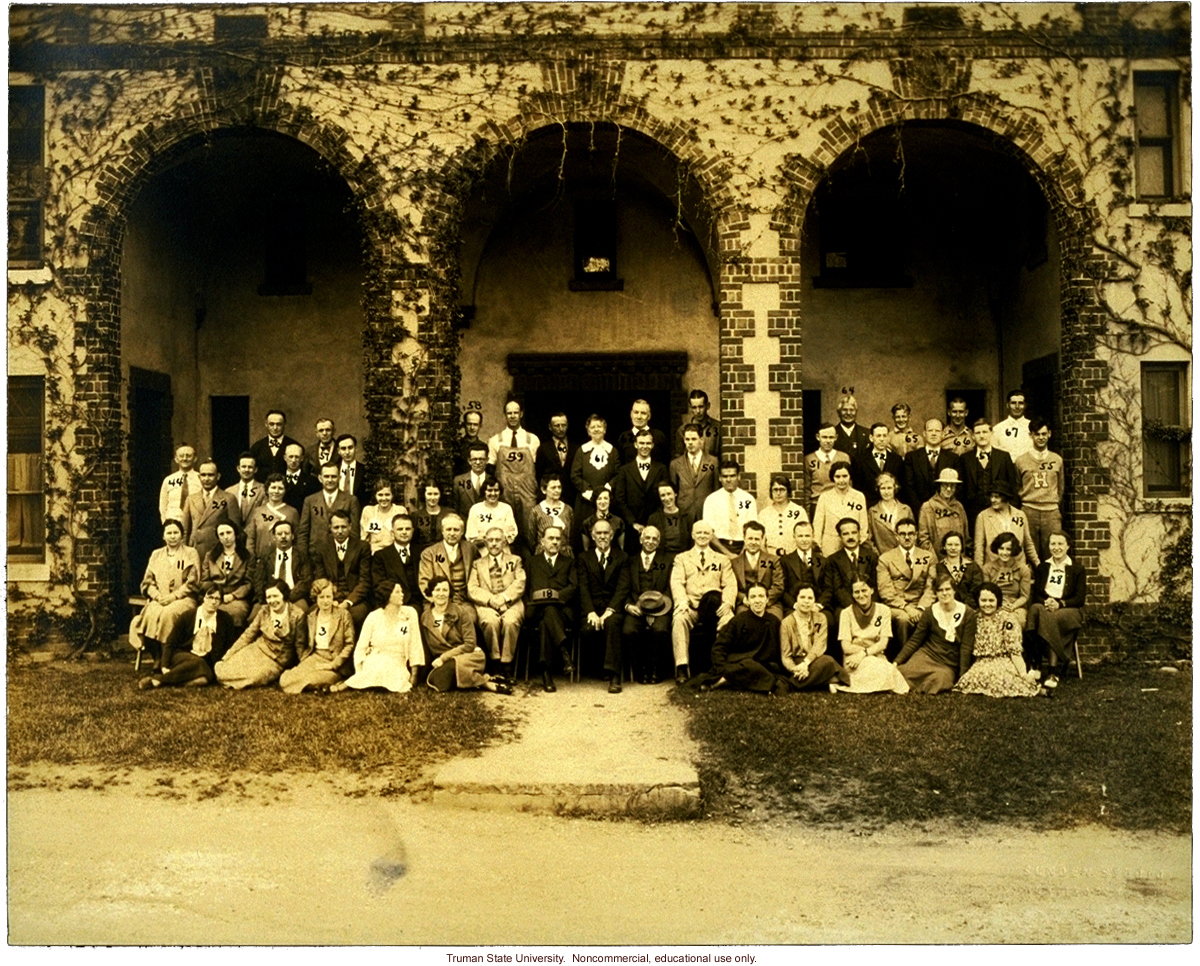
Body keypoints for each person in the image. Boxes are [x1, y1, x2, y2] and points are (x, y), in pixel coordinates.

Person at [692, 584, 796, 695]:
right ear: (747, 600)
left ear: (767, 600)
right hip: (739, 663)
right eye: (753, 597)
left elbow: (781, 649)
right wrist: (722, 667)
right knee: (748, 665)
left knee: (770, 672)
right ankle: (762, 683)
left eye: (761, 596)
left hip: (763, 665)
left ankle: (725, 680)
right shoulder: (738, 621)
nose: (757, 601)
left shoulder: (774, 622)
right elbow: (719, 646)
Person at [669, 520, 736, 683]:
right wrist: (682, 602)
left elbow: (730, 583)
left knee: (729, 620)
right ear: (693, 535)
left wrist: (727, 603)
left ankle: (722, 667)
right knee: (679, 620)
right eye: (699, 533)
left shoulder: (722, 560)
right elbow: (676, 582)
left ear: (711, 536)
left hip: (715, 606)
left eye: (706, 533)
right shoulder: (682, 558)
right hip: (691, 606)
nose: (702, 536)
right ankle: (682, 667)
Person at [423, 576, 512, 694]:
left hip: (468, 655)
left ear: (450, 593)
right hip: (442, 660)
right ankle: (485, 681)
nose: (441, 594)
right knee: (437, 680)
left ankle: (480, 682)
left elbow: (470, 644)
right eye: (437, 590)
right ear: (431, 593)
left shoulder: (461, 612)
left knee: (444, 676)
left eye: (445, 590)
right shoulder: (425, 617)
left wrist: (444, 658)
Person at [129, 520, 201, 664]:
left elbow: (193, 581)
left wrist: (173, 597)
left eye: (176, 533)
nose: (172, 536)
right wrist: (157, 596)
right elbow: (147, 582)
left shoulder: (190, 553)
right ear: (163, 536)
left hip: (183, 599)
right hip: (160, 598)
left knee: (168, 614)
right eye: (169, 533)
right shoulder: (156, 554)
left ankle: (166, 657)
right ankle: (156, 657)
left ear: (181, 535)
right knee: (150, 613)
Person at [953, 583, 1043, 698]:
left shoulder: (1007, 619)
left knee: (1004, 678)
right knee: (976, 677)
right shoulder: (974, 619)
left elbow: (1014, 651)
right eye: (983, 600)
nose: (987, 604)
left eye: (991, 600)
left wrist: (1023, 674)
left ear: (998, 601)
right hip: (982, 662)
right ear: (978, 601)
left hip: (1003, 660)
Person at [332, 582, 424, 693]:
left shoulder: (410, 613)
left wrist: (414, 674)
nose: (402, 595)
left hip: (397, 660)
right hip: (375, 657)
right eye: (397, 592)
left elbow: (415, 644)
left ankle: (350, 684)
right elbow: (361, 646)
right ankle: (348, 684)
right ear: (387, 595)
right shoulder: (374, 616)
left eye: (401, 591)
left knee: (392, 673)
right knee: (377, 667)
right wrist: (359, 670)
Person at [136, 584, 234, 689]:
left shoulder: (225, 619)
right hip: (183, 654)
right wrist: (164, 666)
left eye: (217, 599)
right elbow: (170, 642)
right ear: (203, 598)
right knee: (199, 664)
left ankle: (164, 681)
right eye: (210, 597)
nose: (213, 602)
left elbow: (229, 644)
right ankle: (159, 680)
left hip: (207, 660)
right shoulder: (188, 616)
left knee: (203, 680)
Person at [214, 578, 305, 689]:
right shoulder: (264, 611)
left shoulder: (297, 615)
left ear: (284, 595)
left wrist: (302, 668)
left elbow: (300, 645)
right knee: (223, 670)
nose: (272, 601)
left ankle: (234, 681)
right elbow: (248, 635)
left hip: (276, 660)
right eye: (269, 597)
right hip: (258, 649)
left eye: (275, 596)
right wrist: (228, 655)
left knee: (252, 676)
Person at [895, 573, 976, 694]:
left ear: (954, 591)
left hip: (949, 661)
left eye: (948, 589)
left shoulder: (968, 613)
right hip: (928, 654)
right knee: (904, 673)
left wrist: (962, 676)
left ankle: (922, 685)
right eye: (940, 590)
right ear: (936, 593)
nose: (944, 593)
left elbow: (966, 647)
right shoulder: (930, 612)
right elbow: (915, 640)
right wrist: (897, 662)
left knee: (941, 679)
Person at [1026, 532, 1087, 687]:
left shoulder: (1077, 569)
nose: (1056, 548)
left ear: (1068, 546)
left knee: (1048, 617)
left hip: (1070, 610)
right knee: (1034, 610)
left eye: (1060, 544)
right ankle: (1037, 664)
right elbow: (1037, 595)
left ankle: (1053, 671)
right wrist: (1047, 602)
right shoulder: (1043, 567)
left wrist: (1060, 604)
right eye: (1053, 544)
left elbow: (1079, 599)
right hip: (1046, 606)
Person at [577, 518, 630, 693]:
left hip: (612, 609)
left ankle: (614, 676)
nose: (602, 536)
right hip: (591, 609)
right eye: (598, 533)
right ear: (592, 536)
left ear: (612, 535)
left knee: (612, 624)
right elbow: (583, 588)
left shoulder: (622, 557)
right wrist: (590, 612)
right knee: (587, 630)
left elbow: (623, 587)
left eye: (606, 533)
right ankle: (598, 668)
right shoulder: (584, 558)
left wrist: (610, 610)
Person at [278, 578, 356, 694]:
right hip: (316, 657)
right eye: (321, 597)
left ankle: (325, 682)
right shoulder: (311, 617)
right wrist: (305, 659)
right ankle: (316, 686)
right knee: (285, 679)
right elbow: (301, 642)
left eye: (328, 597)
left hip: (335, 661)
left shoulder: (343, 615)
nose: (325, 601)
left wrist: (333, 664)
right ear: (316, 598)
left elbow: (349, 644)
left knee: (313, 678)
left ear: (333, 597)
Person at [467, 527, 526, 677]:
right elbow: (472, 588)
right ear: (485, 542)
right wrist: (491, 600)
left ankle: (507, 664)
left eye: (498, 540)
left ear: (504, 542)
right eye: (491, 540)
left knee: (510, 622)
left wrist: (504, 598)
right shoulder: (477, 564)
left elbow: (520, 582)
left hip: (511, 602)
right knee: (490, 622)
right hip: (487, 603)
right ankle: (495, 661)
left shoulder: (515, 560)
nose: (494, 544)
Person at [832, 579, 908, 694]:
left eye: (864, 590)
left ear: (871, 590)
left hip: (875, 655)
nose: (861, 595)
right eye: (856, 592)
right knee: (882, 671)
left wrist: (864, 653)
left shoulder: (884, 610)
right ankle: (846, 684)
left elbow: (883, 643)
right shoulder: (846, 613)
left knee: (889, 670)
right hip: (853, 658)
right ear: (852, 594)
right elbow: (846, 646)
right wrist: (863, 654)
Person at [525, 525, 577, 693]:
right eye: (551, 538)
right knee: (546, 612)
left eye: (558, 539)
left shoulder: (569, 563)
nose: (554, 542)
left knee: (547, 616)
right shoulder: (532, 562)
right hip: (535, 610)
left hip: (562, 611)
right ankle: (564, 653)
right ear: (542, 541)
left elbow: (574, 587)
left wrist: (555, 596)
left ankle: (546, 673)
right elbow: (525, 588)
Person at [622, 525, 674, 683]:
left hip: (661, 608)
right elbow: (622, 588)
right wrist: (628, 605)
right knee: (629, 630)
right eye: (647, 538)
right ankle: (639, 669)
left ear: (658, 542)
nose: (650, 542)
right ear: (640, 539)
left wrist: (656, 611)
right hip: (635, 607)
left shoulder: (666, 561)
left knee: (659, 630)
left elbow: (669, 588)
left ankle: (655, 669)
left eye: (654, 539)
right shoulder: (629, 561)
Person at [877, 518, 935, 650]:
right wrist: (907, 608)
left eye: (911, 534)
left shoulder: (927, 556)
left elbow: (931, 587)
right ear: (897, 536)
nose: (907, 537)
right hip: (898, 606)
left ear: (916, 535)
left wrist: (921, 608)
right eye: (903, 534)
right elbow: (885, 591)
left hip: (921, 603)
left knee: (932, 616)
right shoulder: (885, 558)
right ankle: (904, 656)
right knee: (903, 620)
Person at [310, 509, 371, 634]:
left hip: (354, 599)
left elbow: (364, 581)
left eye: (343, 527)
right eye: (336, 527)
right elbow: (321, 579)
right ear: (330, 528)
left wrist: (348, 602)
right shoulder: (322, 547)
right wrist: (331, 600)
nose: (340, 531)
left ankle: (351, 651)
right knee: (311, 614)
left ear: (350, 527)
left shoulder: (362, 547)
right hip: (330, 597)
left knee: (356, 616)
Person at [1015, 419, 1065, 563]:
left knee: (1053, 550)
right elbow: (1018, 486)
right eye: (1037, 434)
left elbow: (1061, 487)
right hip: (1029, 510)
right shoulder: (1021, 461)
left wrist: (1052, 502)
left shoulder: (1057, 460)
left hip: (1051, 511)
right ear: (1031, 435)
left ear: (1049, 434)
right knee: (1029, 553)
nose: (1041, 437)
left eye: (1044, 434)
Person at [779, 586, 847, 691]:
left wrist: (806, 663)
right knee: (830, 666)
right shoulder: (786, 623)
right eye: (802, 597)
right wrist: (796, 669)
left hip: (814, 659)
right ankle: (821, 682)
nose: (806, 601)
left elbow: (819, 645)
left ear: (815, 601)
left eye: (810, 598)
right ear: (796, 600)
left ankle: (794, 683)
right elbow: (786, 656)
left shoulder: (820, 618)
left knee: (827, 661)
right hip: (797, 662)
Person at [487, 399, 540, 533]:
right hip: (505, 490)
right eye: (509, 413)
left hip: (527, 491)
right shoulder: (495, 440)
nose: (512, 416)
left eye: (515, 413)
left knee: (529, 528)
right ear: (504, 415)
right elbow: (491, 468)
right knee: (505, 528)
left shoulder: (532, 439)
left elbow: (537, 468)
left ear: (521, 414)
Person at [961, 420, 1020, 529]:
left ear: (991, 434)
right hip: (973, 513)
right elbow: (962, 490)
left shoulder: (1004, 457)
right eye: (978, 433)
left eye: (985, 432)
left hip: (1000, 511)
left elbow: (1013, 486)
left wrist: (1012, 513)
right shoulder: (965, 459)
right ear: (973, 436)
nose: (982, 436)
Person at [570, 414, 619, 547]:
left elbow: (619, 474)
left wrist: (608, 488)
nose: (596, 429)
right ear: (588, 431)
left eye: (599, 426)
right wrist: (588, 491)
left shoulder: (612, 451)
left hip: (606, 500)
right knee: (587, 533)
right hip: (586, 501)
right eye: (593, 427)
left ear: (605, 430)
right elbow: (574, 474)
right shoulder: (582, 451)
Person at [298, 462, 361, 561]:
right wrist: (304, 558)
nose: (330, 480)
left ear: (339, 478)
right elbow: (303, 532)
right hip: (315, 556)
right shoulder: (310, 501)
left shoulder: (351, 500)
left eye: (333, 476)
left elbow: (354, 533)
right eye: (326, 476)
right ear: (320, 478)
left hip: (341, 557)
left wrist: (350, 558)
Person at [417, 513, 477, 616]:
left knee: (469, 618)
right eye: (449, 529)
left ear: (462, 532)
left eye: (456, 530)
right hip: (436, 601)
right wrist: (440, 601)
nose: (452, 533)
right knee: (439, 622)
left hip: (463, 601)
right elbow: (424, 583)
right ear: (442, 531)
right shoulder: (429, 553)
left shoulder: (470, 549)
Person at [612, 429, 669, 536]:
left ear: (652, 445)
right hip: (631, 527)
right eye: (641, 443)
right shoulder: (624, 470)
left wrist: (654, 521)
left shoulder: (661, 469)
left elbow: (665, 496)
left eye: (648, 443)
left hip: (656, 525)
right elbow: (620, 499)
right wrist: (633, 522)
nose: (645, 446)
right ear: (635, 445)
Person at [822, 518, 880, 621]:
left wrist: (867, 605)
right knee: (840, 615)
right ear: (840, 537)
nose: (850, 537)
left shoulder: (872, 556)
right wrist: (855, 607)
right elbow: (838, 589)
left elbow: (876, 584)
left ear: (859, 534)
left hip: (870, 602)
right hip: (846, 604)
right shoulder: (833, 560)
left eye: (854, 533)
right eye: (845, 534)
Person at [250, 519, 312, 614]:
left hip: (294, 597)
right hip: (270, 597)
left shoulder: (301, 556)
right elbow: (258, 580)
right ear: (274, 537)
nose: (283, 536)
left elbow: (306, 580)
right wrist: (267, 597)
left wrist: (288, 596)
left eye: (286, 533)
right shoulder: (266, 556)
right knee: (254, 616)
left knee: (303, 613)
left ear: (292, 536)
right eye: (279, 534)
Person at [903, 418, 961, 518]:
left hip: (946, 513)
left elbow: (957, 488)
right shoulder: (911, 457)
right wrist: (921, 511)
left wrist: (945, 509)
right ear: (924, 434)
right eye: (930, 430)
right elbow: (909, 487)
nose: (934, 434)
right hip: (919, 512)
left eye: (937, 431)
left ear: (943, 434)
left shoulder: (953, 458)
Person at [181, 459, 237, 562]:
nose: (206, 479)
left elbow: (236, 530)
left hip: (218, 552)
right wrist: (183, 552)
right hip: (194, 551)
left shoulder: (228, 498)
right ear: (199, 477)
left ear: (218, 476)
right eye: (203, 475)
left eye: (210, 475)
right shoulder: (191, 499)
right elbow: (185, 530)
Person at [811, 462, 869, 558]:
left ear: (850, 476)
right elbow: (818, 524)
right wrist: (819, 546)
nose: (841, 480)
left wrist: (860, 542)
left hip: (852, 543)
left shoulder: (859, 496)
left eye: (845, 476)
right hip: (830, 545)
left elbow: (863, 523)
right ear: (832, 478)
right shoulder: (824, 497)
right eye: (837, 477)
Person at [974, 482, 1039, 568]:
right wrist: (979, 570)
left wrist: (1038, 563)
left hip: (1017, 567)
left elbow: (1028, 543)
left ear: (1006, 497)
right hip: (994, 568)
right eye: (991, 496)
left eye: (996, 497)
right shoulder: (983, 516)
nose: (992, 500)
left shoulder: (1020, 515)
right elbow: (979, 547)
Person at [201, 522, 253, 628]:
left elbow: (249, 583)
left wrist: (233, 595)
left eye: (228, 533)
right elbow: (204, 581)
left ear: (235, 534)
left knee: (235, 613)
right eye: (222, 534)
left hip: (237, 598)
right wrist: (215, 594)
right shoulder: (210, 555)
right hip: (214, 595)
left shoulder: (247, 556)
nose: (225, 537)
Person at [702, 459, 758, 556]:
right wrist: (727, 553)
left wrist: (742, 554)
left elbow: (752, 530)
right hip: (719, 548)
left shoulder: (748, 499)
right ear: (720, 478)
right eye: (725, 476)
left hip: (743, 548)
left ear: (738, 476)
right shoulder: (711, 500)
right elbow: (708, 532)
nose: (728, 480)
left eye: (732, 476)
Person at [731, 521, 785, 620]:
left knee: (774, 620)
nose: (753, 542)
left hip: (770, 604)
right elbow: (732, 587)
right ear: (744, 538)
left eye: (757, 539)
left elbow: (778, 586)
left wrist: (763, 601)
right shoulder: (734, 562)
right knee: (742, 621)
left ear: (762, 540)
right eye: (750, 538)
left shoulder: (773, 560)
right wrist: (744, 599)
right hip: (745, 604)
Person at [779, 520, 831, 621]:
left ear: (813, 536)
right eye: (800, 536)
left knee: (829, 620)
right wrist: (795, 605)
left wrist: (818, 605)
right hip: (793, 606)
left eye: (807, 536)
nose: (804, 540)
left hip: (817, 606)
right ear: (794, 537)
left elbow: (828, 588)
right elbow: (783, 589)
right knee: (791, 621)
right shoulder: (785, 561)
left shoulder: (823, 561)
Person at [981, 532, 1032, 631]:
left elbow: (1024, 596)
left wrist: (1013, 606)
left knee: (1015, 622)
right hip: (993, 604)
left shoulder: (1023, 569)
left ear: (1013, 550)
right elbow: (986, 593)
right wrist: (998, 604)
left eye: (1008, 549)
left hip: (1015, 606)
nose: (1004, 552)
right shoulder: (987, 568)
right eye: (1001, 548)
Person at [670, 423, 720, 521]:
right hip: (684, 512)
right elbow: (674, 492)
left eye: (694, 439)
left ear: (701, 440)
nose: (690, 443)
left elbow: (716, 489)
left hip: (706, 510)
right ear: (684, 440)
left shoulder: (713, 462)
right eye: (687, 439)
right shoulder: (675, 464)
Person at [917, 468, 970, 560]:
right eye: (945, 485)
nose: (949, 489)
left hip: (958, 560)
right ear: (940, 486)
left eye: (952, 486)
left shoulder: (958, 507)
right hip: (937, 560)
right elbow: (923, 539)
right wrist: (934, 560)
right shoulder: (928, 507)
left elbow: (966, 536)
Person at [371, 513, 421, 608]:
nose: (404, 532)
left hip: (417, 604)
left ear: (413, 531)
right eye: (400, 529)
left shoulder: (421, 553)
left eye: (407, 529)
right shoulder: (381, 556)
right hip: (391, 604)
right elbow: (379, 585)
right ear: (392, 532)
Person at [243, 475, 299, 559]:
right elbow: (250, 538)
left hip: (284, 560)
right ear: (267, 490)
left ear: (285, 491)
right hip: (260, 560)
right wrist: (252, 558)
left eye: (280, 488)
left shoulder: (292, 512)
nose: (276, 491)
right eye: (273, 487)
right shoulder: (257, 512)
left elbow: (298, 539)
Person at [852, 423, 906, 506]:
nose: (882, 439)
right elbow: (857, 488)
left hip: (891, 506)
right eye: (878, 436)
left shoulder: (897, 459)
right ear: (871, 438)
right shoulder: (860, 460)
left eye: (884, 436)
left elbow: (901, 487)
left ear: (888, 438)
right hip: (868, 505)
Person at [757, 474, 808, 558]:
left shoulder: (799, 511)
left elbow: (805, 537)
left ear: (788, 491)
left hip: (794, 557)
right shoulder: (764, 514)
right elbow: (760, 541)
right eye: (775, 490)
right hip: (771, 557)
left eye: (782, 489)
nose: (778, 493)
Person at [534, 412, 578, 508]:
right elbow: (539, 474)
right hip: (550, 496)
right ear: (550, 427)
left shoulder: (576, 448)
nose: (561, 429)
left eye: (563, 425)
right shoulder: (543, 448)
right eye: (557, 426)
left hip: (571, 496)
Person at [805, 423, 850, 514]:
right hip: (817, 504)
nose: (828, 441)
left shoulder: (843, 457)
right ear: (818, 437)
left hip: (839, 503)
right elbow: (806, 488)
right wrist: (808, 511)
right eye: (825, 437)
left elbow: (849, 484)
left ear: (836, 437)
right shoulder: (809, 459)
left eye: (831, 437)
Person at [465, 477, 520, 549]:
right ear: (484, 492)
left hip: (502, 548)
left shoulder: (506, 508)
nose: (493, 493)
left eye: (496, 490)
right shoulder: (475, 509)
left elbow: (511, 533)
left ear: (500, 492)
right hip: (482, 549)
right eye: (489, 490)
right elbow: (471, 536)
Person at [527, 473, 574, 555]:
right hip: (542, 554)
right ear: (544, 490)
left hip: (564, 554)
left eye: (559, 487)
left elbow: (572, 535)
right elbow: (531, 538)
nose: (557, 490)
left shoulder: (568, 510)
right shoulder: (536, 511)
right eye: (553, 488)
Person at [867, 471, 914, 554]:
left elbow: (913, 535)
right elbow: (869, 538)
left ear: (895, 488)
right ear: (878, 490)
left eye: (889, 488)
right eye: (883, 488)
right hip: (882, 556)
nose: (886, 492)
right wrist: (878, 555)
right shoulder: (872, 511)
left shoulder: (906, 509)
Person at [934, 532, 984, 606]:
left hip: (969, 608)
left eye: (957, 545)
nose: (953, 548)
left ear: (961, 547)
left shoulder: (972, 567)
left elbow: (977, 590)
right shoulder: (939, 567)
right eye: (950, 545)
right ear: (944, 546)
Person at [249, 409, 299, 482]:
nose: (275, 428)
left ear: (284, 424)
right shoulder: (257, 447)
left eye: (279, 424)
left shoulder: (294, 445)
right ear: (266, 424)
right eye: (271, 424)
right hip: (263, 490)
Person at [646, 479, 693, 554]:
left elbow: (691, 542)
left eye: (669, 494)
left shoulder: (686, 516)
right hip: (662, 557)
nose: (667, 498)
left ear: (675, 494)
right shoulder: (654, 518)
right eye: (663, 495)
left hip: (683, 556)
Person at [617, 398, 668, 466]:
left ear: (649, 416)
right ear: (631, 414)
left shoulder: (659, 436)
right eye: (636, 412)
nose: (639, 417)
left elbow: (666, 462)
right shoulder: (623, 437)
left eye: (643, 413)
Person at [159, 443, 201, 524]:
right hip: (173, 523)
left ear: (195, 458)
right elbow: (162, 505)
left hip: (195, 522)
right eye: (181, 456)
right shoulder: (168, 480)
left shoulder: (200, 478)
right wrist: (165, 523)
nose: (185, 458)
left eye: (188, 455)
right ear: (176, 459)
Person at [225, 452, 264, 531]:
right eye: (243, 467)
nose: (246, 470)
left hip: (255, 533)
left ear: (255, 469)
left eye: (250, 467)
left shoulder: (263, 490)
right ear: (238, 468)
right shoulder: (229, 491)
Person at [579, 488, 626, 554]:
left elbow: (621, 548)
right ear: (595, 501)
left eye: (605, 498)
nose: (603, 501)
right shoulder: (587, 523)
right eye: (599, 498)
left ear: (610, 500)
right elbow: (586, 549)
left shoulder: (619, 522)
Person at [678, 389, 721, 459]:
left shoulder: (717, 427)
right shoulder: (682, 430)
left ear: (708, 406)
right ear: (690, 408)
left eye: (701, 407)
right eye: (694, 407)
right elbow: (679, 457)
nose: (698, 411)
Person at [411, 479, 450, 553]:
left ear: (440, 495)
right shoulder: (416, 516)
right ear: (424, 495)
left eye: (435, 494)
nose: (432, 498)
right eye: (429, 494)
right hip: (422, 554)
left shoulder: (448, 513)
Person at [993, 390, 1033, 460]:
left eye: (1020, 403)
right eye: (1013, 403)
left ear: (1025, 406)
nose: (1017, 407)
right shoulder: (997, 429)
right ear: (1007, 405)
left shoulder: (1033, 426)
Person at [361, 482, 400, 554]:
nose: (384, 498)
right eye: (380, 495)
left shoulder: (399, 511)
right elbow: (364, 538)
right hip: (374, 553)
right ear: (375, 495)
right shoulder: (368, 511)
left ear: (392, 495)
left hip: (394, 554)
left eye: (387, 495)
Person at [454, 442, 491, 517]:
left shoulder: (492, 480)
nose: (478, 462)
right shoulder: (459, 481)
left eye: (481, 459)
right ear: (469, 461)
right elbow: (455, 507)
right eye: (474, 459)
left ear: (487, 460)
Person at [282, 443, 320, 512]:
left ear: (302, 458)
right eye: (291, 457)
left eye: (296, 457)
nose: (293, 460)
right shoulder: (278, 479)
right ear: (285, 458)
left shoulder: (312, 481)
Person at [833, 393, 871, 458]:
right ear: (838, 412)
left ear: (856, 412)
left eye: (851, 410)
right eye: (844, 410)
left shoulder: (867, 433)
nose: (848, 413)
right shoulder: (832, 434)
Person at [334, 434, 368, 505]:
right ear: (338, 451)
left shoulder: (365, 470)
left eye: (350, 448)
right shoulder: (334, 469)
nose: (347, 452)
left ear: (355, 448)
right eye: (343, 448)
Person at [454, 408, 484, 476]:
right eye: (469, 424)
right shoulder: (457, 446)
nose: (472, 427)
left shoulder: (483, 447)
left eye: (475, 424)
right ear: (464, 425)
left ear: (480, 426)